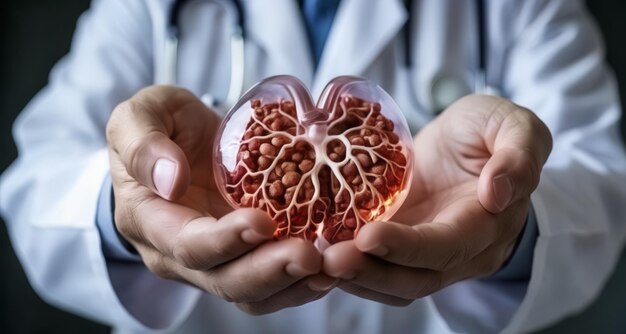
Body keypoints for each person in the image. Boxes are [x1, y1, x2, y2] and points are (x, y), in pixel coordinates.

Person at [1, 0, 625, 333]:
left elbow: (602, 182)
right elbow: (35, 181)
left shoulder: (514, 7)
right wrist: (122, 211)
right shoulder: (147, 7)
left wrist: (510, 220)